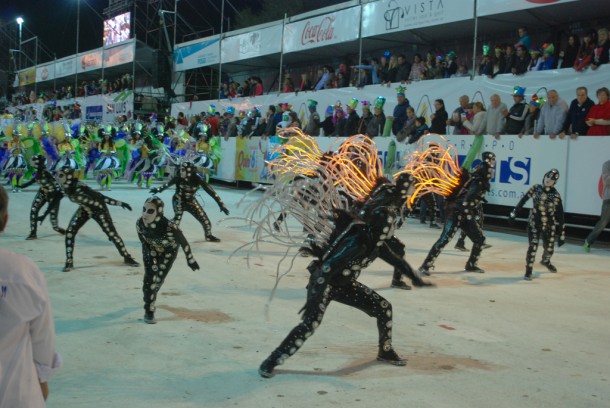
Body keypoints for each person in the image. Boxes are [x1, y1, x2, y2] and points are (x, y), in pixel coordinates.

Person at [0, 185, 62, 407]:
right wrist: (42, 377)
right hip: (15, 392)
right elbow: (42, 336)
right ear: (5, 221)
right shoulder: (20, 271)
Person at [419, 152, 496, 275]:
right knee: (445, 239)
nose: (493, 172)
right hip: (456, 211)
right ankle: (426, 265)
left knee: (479, 239)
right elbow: (467, 201)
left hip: (463, 212)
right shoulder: (478, 183)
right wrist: (471, 216)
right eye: (491, 169)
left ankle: (471, 264)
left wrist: (471, 215)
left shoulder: (479, 181)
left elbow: (470, 202)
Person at [57, 166, 140, 272]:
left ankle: (127, 257)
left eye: (60, 175)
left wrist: (119, 203)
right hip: (84, 209)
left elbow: (100, 197)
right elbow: (55, 199)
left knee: (112, 234)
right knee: (69, 232)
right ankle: (69, 262)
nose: (57, 177)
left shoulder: (80, 186)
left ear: (68, 176)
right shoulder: (64, 187)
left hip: (99, 210)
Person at [136, 196, 200, 324]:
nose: (144, 214)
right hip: (151, 249)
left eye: (150, 211)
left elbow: (183, 242)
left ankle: (151, 296)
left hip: (168, 253)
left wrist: (190, 259)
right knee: (149, 279)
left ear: (159, 212)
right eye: (144, 209)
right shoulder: (139, 223)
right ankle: (149, 309)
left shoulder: (170, 227)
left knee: (158, 280)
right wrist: (148, 255)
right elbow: (143, 240)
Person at [150, 161, 229, 242]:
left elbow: (211, 192)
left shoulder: (197, 179)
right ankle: (163, 235)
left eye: (183, 170)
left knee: (205, 220)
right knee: (176, 220)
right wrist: (158, 189)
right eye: (181, 170)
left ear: (189, 171)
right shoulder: (178, 177)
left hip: (191, 201)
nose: (181, 172)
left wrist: (221, 204)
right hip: (179, 200)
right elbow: (167, 184)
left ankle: (208, 235)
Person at [509, 169, 565, 281]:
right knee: (533, 246)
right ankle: (528, 270)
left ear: (555, 182)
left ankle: (546, 260)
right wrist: (514, 212)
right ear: (544, 177)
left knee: (549, 249)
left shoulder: (556, 195)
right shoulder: (535, 188)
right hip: (534, 222)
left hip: (549, 225)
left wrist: (562, 233)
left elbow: (560, 214)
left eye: (552, 179)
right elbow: (523, 200)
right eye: (548, 177)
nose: (549, 180)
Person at [20, 154, 66, 240]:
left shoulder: (46, 173)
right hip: (42, 192)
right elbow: (35, 179)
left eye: (32, 160)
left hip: (52, 195)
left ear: (37, 162)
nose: (30, 161)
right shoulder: (39, 172)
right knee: (34, 210)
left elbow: (57, 187)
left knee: (53, 221)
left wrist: (45, 214)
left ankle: (57, 228)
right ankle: (33, 233)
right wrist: (22, 186)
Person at [584, 160, 610, 252]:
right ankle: (588, 241)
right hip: (608, 198)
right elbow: (606, 180)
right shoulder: (607, 164)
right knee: (603, 223)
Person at [461, 102, 487, 170]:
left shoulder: (478, 115)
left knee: (472, 154)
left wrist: (465, 122)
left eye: (474, 108)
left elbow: (474, 128)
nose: (473, 109)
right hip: (484, 136)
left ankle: (466, 168)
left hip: (479, 137)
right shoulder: (484, 114)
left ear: (478, 108)